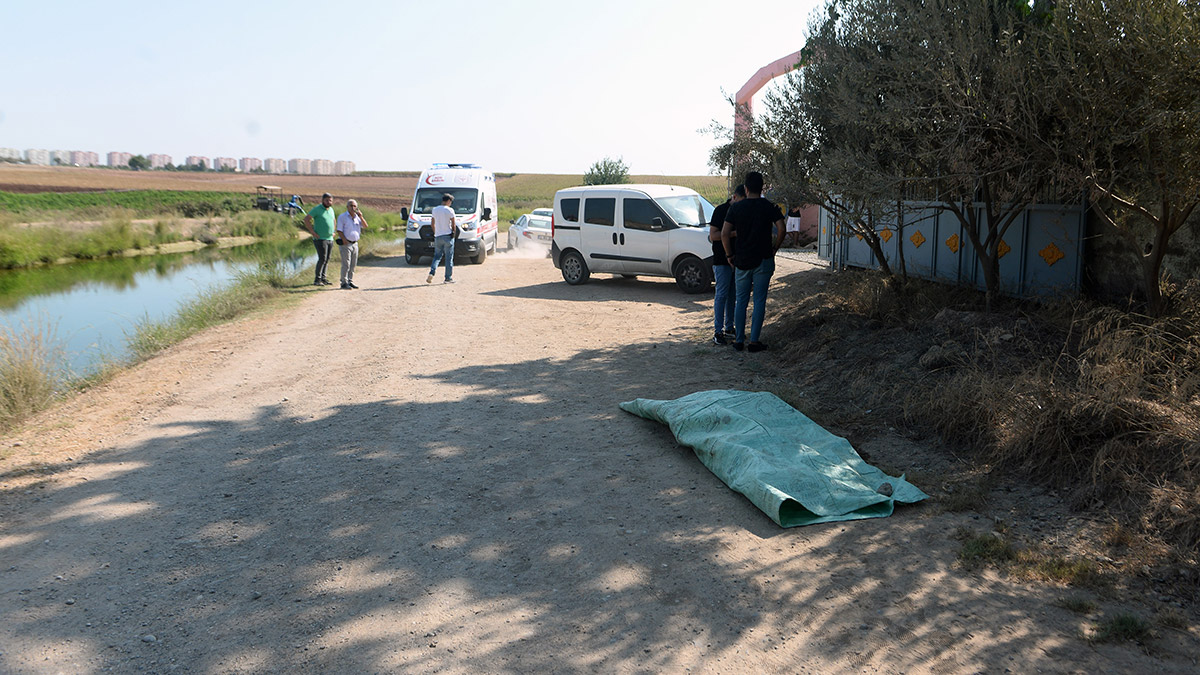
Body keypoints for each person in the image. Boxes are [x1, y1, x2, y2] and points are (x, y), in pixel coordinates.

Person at [721, 171, 785, 353]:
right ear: (762, 187)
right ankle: (755, 341)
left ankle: (739, 340)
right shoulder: (769, 206)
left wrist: (729, 255)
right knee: (759, 301)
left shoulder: (736, 208)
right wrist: (775, 248)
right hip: (764, 260)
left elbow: (725, 233)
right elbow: (782, 228)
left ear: (746, 188)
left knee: (741, 301)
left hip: (741, 260)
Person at [709, 184, 746, 345]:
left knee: (732, 295)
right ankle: (718, 331)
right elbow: (714, 235)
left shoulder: (741, 211)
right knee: (722, 294)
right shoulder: (720, 210)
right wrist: (733, 233)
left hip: (736, 260)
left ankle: (729, 327)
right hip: (722, 260)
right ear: (735, 197)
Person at [302, 192, 337, 286]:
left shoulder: (331, 210)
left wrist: (333, 231)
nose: (329, 202)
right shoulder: (317, 209)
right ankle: (317, 280)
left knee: (327, 259)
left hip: (330, 238)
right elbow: (306, 219)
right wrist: (312, 232)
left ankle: (323, 278)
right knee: (322, 258)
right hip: (320, 238)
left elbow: (334, 220)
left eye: (330, 200)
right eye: (327, 200)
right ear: (322, 200)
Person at [336, 199, 369, 289]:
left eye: (354, 206)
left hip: (355, 244)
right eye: (351, 206)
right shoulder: (342, 217)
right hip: (346, 243)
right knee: (346, 264)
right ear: (347, 207)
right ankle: (343, 282)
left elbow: (365, 226)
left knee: (353, 264)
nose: (353, 208)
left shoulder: (357, 217)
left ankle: (350, 281)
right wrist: (344, 240)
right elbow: (339, 230)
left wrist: (361, 217)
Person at [427, 193, 456, 284]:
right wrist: (453, 233)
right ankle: (448, 278)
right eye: (451, 202)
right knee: (449, 258)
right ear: (448, 201)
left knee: (437, 256)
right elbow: (453, 224)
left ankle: (432, 272)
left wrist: (436, 232)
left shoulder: (435, 210)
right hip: (448, 236)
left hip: (438, 236)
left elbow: (432, 224)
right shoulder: (450, 210)